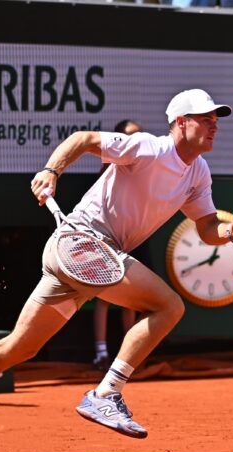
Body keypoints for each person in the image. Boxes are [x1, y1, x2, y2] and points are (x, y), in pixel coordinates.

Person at [0, 88, 233, 452]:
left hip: (89, 257)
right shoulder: (149, 148)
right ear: (181, 123)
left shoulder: (198, 173)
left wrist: (229, 233)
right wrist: (50, 171)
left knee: (21, 346)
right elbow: (83, 139)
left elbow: (205, 226)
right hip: (82, 245)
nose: (214, 126)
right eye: (206, 119)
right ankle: (106, 392)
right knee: (169, 306)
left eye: (216, 120)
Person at [91, 119, 148, 371]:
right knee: (104, 296)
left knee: (131, 297)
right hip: (105, 236)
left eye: (139, 135)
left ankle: (129, 356)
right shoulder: (109, 169)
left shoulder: (144, 167)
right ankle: (100, 353)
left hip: (131, 236)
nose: (136, 140)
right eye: (129, 135)